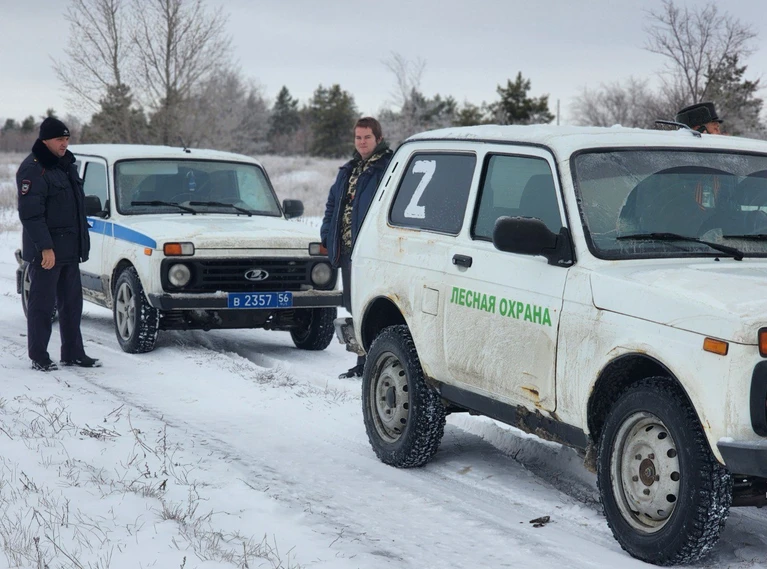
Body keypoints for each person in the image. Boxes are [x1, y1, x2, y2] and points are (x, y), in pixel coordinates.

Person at [17, 117, 100, 371]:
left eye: (66, 139)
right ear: (45, 141)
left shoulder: (66, 165)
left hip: (69, 250)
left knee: (72, 305)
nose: (64, 144)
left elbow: (74, 208)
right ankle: (39, 356)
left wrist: (81, 246)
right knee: (42, 306)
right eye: (59, 139)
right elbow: (31, 214)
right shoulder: (34, 169)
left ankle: (73, 352)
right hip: (47, 252)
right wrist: (45, 247)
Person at [321, 117, 393, 379]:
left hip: (373, 253)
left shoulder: (388, 168)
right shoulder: (348, 170)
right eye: (358, 138)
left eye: (367, 138)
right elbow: (332, 204)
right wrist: (327, 233)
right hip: (348, 251)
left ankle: (376, 363)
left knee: (373, 308)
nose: (362, 142)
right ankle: (362, 361)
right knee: (354, 306)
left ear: (378, 139)